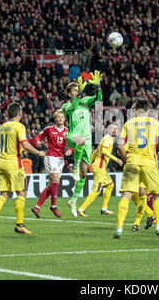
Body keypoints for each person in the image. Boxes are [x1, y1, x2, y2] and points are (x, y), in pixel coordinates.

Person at [0, 102, 46, 235]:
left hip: (0, 162)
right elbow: (24, 143)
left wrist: (24, 149)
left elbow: (13, 144)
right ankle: (20, 225)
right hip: (13, 164)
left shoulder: (3, 126)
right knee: (21, 193)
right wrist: (38, 152)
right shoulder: (20, 126)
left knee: (4, 194)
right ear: (20, 113)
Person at [114, 98, 159, 238]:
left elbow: (120, 146)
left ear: (134, 110)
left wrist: (127, 159)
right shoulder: (155, 123)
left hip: (132, 162)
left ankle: (119, 228)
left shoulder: (128, 123)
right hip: (149, 163)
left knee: (126, 195)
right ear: (148, 110)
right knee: (158, 195)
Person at [61, 71, 103, 217]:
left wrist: (97, 86)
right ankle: (75, 168)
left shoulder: (85, 101)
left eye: (78, 89)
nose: (77, 91)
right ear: (69, 94)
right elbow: (73, 106)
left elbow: (99, 98)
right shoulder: (66, 106)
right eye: (74, 90)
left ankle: (73, 201)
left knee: (84, 175)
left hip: (86, 140)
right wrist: (79, 95)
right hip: (73, 136)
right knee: (80, 140)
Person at [31, 109, 72, 218]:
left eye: (62, 117)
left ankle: (37, 207)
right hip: (50, 157)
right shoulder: (49, 129)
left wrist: (70, 150)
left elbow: (74, 143)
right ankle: (53, 206)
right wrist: (38, 142)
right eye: (58, 117)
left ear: (64, 119)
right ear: (55, 118)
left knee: (51, 186)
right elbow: (38, 136)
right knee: (56, 180)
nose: (60, 119)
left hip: (60, 160)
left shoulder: (68, 131)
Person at [77, 123, 123, 217]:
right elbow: (104, 151)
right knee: (97, 190)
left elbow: (96, 151)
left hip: (100, 167)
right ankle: (81, 209)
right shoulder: (107, 139)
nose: (114, 130)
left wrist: (90, 163)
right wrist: (116, 159)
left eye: (116, 128)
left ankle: (104, 208)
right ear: (108, 130)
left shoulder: (107, 139)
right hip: (99, 167)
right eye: (112, 128)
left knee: (110, 185)